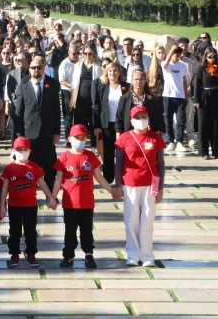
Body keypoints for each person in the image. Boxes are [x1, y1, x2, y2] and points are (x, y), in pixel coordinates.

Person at [52, 124, 116, 269]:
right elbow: (58, 179)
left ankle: (88, 255)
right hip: (70, 204)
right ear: (70, 139)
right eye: (77, 138)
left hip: (87, 203)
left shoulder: (90, 156)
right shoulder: (64, 157)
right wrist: (53, 197)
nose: (80, 140)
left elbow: (99, 177)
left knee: (87, 231)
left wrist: (111, 190)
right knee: (70, 231)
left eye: (83, 138)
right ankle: (68, 255)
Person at [114, 106, 166, 267]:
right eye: (138, 117)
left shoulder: (155, 139)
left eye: (144, 116)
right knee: (131, 220)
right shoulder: (124, 139)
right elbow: (119, 163)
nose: (141, 120)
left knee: (147, 220)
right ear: (131, 120)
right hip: (130, 184)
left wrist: (162, 188)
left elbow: (161, 164)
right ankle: (133, 254)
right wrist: (117, 185)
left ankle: (147, 255)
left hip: (151, 185)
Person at [1, 137, 56, 268]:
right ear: (14, 151)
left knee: (31, 231)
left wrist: (50, 197)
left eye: (25, 149)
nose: (22, 152)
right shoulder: (10, 168)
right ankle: (14, 254)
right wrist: (2, 205)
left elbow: (42, 183)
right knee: (14, 231)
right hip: (14, 206)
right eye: (19, 149)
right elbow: (5, 187)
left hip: (31, 205)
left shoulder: (34, 167)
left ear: (30, 151)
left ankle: (31, 253)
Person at [13, 54, 61, 190]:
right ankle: (30, 190)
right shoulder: (23, 86)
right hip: (29, 132)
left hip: (47, 131)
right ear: (29, 69)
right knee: (31, 164)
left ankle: (50, 193)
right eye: (33, 67)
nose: (36, 70)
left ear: (44, 68)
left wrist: (57, 132)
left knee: (50, 164)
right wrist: (18, 135)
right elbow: (19, 112)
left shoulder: (52, 84)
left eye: (39, 67)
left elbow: (56, 110)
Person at [93, 62, 130, 183]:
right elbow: (97, 107)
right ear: (106, 73)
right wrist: (97, 125)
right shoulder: (102, 87)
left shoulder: (126, 87)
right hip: (107, 124)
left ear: (119, 72)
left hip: (123, 125)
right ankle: (108, 179)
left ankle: (124, 178)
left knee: (124, 152)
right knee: (108, 152)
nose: (112, 73)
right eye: (110, 71)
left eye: (115, 70)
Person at [70, 43, 102, 147]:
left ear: (94, 54)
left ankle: (94, 148)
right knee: (80, 125)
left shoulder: (98, 67)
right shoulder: (78, 65)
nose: (87, 56)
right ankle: (80, 146)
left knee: (94, 125)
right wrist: (72, 99)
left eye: (90, 54)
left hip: (93, 101)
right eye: (85, 53)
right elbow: (74, 84)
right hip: (80, 100)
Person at [116, 70, 165, 136]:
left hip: (148, 135)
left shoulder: (150, 98)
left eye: (141, 79)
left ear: (145, 81)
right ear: (132, 81)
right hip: (130, 134)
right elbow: (119, 118)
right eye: (136, 79)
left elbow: (156, 117)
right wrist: (118, 135)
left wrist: (157, 133)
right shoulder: (124, 98)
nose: (138, 81)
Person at [162, 46, 190, 152]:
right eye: (175, 52)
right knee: (168, 120)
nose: (177, 54)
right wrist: (171, 50)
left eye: (179, 52)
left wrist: (186, 96)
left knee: (180, 120)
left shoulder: (183, 65)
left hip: (180, 96)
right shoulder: (167, 64)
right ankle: (171, 141)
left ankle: (179, 142)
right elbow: (164, 64)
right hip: (168, 96)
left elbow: (184, 80)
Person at [193, 48, 218, 159]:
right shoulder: (201, 68)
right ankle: (204, 151)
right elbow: (197, 84)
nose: (212, 59)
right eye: (210, 57)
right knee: (203, 124)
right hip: (203, 96)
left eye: (214, 56)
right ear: (205, 57)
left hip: (215, 96)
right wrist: (196, 100)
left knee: (215, 124)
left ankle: (215, 150)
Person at [59, 45, 80, 146]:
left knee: (78, 115)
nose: (76, 56)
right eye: (74, 54)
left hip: (78, 91)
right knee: (68, 116)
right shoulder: (64, 64)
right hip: (67, 90)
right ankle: (68, 137)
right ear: (69, 53)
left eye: (77, 53)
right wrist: (73, 86)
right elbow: (62, 80)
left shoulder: (80, 62)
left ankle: (77, 135)